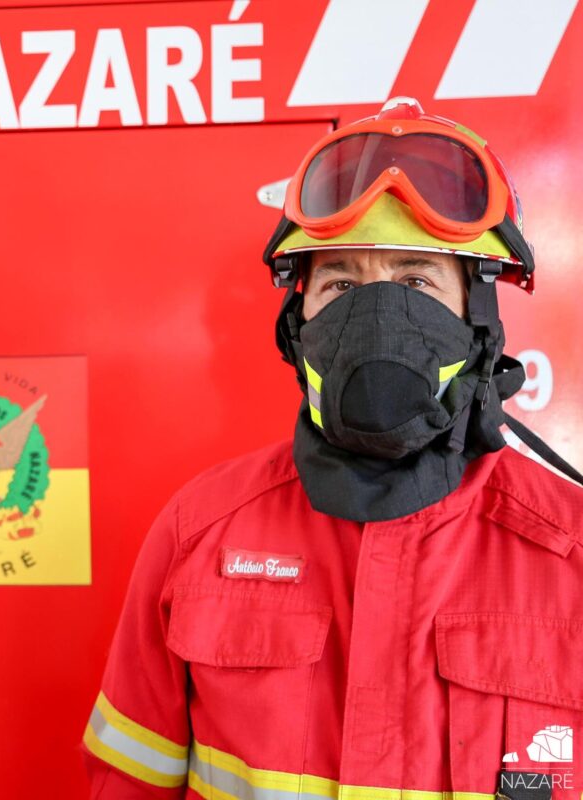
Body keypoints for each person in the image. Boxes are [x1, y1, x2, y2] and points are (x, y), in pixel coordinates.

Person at [82, 98, 583, 799]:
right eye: (342, 282)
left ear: (479, 322)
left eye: (417, 280)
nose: (379, 312)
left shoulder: (571, 553)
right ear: (298, 324)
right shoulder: (199, 533)